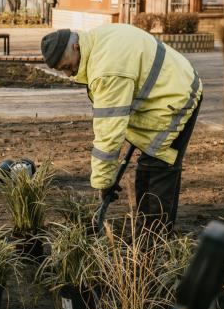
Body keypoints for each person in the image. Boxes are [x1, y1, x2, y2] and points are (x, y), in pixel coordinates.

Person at [41, 25, 203, 233]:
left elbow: (109, 134)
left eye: (67, 65)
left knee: (158, 166)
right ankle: (149, 234)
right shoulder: (96, 39)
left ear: (76, 46)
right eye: (61, 70)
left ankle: (152, 242)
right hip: (170, 83)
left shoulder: (106, 70)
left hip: (175, 97)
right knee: (149, 164)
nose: (69, 73)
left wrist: (103, 183)